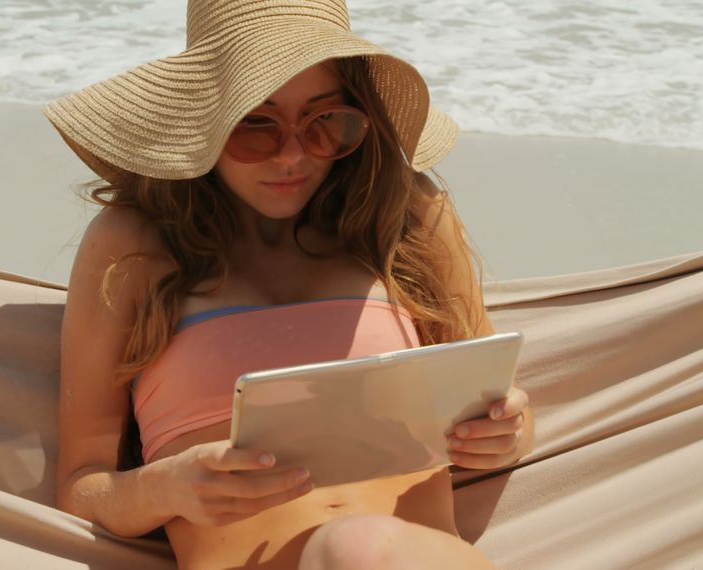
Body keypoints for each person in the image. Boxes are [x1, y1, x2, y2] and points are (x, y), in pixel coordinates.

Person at [48, 1, 534, 568]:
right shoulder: (134, 245)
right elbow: (81, 488)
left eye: (326, 121)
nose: (294, 155)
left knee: (356, 547)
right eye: (257, 124)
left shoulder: (408, 221)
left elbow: (509, 419)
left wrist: (508, 433)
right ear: (208, 116)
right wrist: (163, 488)